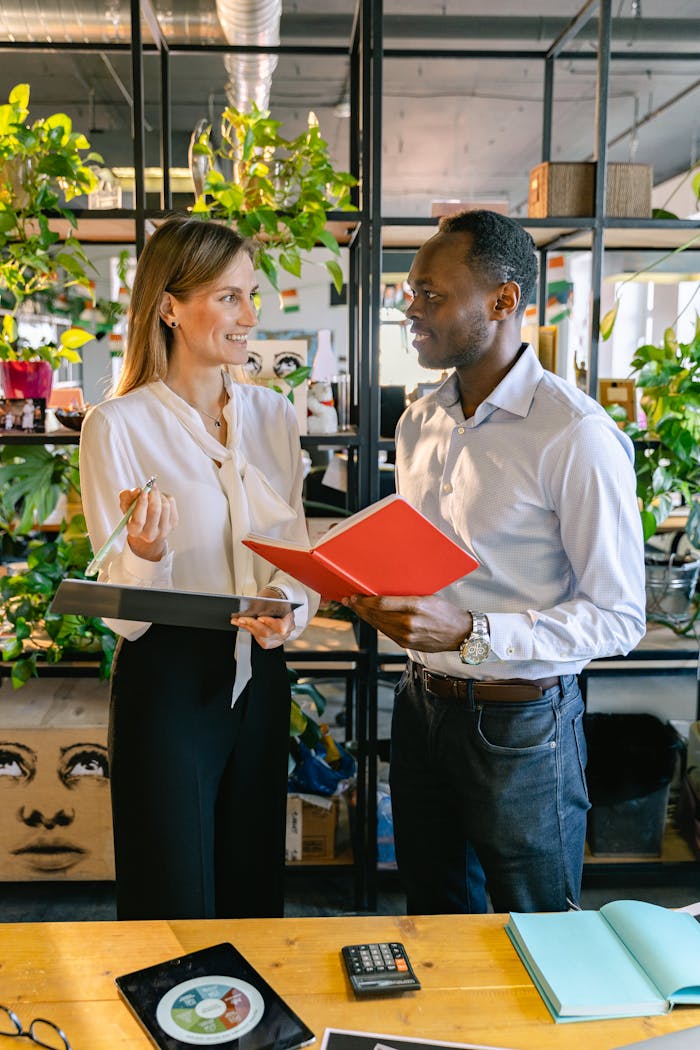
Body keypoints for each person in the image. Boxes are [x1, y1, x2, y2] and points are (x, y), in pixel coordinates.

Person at [347, 209, 646, 915]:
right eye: (409, 292)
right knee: (436, 915)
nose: (409, 309)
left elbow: (619, 617)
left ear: (505, 301)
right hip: (421, 708)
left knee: (540, 924)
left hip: (524, 725)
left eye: (432, 294)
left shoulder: (574, 435)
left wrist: (471, 631)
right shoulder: (418, 420)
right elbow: (425, 569)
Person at [79, 216, 319, 920]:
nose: (249, 317)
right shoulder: (117, 426)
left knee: (253, 887)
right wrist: (144, 555)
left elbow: (296, 554)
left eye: (250, 296)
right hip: (170, 679)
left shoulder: (276, 416)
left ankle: (251, 1028)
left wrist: (284, 601)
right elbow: (125, 617)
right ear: (169, 307)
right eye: (228, 298)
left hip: (261, 671)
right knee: (171, 895)